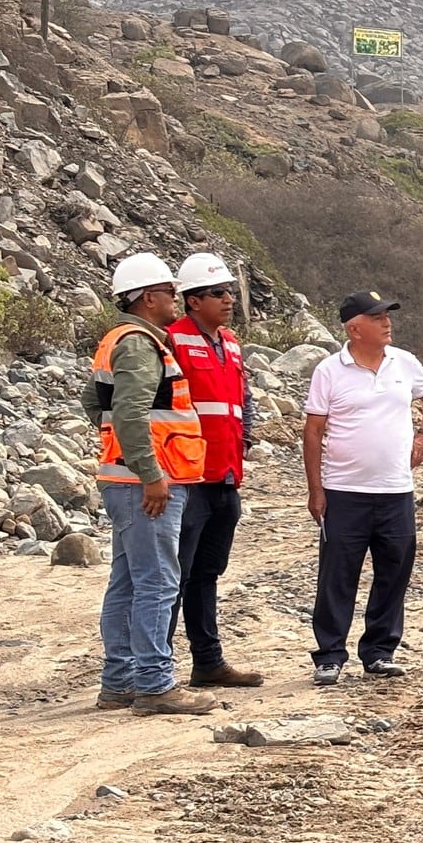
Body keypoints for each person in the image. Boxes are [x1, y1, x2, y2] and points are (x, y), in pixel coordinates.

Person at [85, 253, 217, 715]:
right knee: (158, 583)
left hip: (124, 480)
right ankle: (155, 685)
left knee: (127, 582)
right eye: (167, 291)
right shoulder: (140, 345)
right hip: (147, 485)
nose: (174, 297)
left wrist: (128, 460)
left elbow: (94, 403)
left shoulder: (119, 340)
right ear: (145, 298)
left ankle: (120, 682)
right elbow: (128, 413)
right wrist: (151, 474)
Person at [303, 290, 423, 686]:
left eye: (387, 315)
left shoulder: (405, 363)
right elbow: (312, 432)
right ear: (354, 328)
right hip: (344, 491)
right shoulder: (329, 371)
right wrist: (316, 490)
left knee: (394, 574)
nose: (387, 323)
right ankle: (329, 656)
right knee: (337, 576)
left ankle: (380, 652)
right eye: (377, 317)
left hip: (396, 491)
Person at [165, 252, 264, 688]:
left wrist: (246, 438)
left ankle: (207, 661)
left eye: (230, 292)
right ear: (193, 301)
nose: (229, 299)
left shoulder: (232, 344)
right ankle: (156, 670)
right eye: (219, 293)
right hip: (187, 480)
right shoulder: (171, 341)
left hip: (225, 476)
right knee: (174, 576)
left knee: (206, 573)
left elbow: (242, 399)